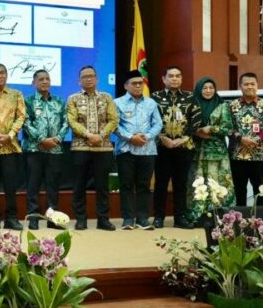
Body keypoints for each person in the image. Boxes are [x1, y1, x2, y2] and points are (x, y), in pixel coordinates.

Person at [66, 65, 118, 231]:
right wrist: (88, 135)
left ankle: (103, 219)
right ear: (79, 80)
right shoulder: (73, 99)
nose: (88, 79)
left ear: (97, 78)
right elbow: (72, 121)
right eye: (84, 77)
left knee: (102, 186)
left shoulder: (107, 97)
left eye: (91, 76)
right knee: (79, 185)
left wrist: (101, 136)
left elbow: (113, 120)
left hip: (103, 148)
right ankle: (81, 219)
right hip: (80, 147)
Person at [151, 66, 201, 229]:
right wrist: (161, 137)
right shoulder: (155, 97)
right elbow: (149, 119)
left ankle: (180, 217)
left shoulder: (190, 97)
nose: (174, 79)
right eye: (171, 76)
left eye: (178, 76)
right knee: (161, 184)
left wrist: (183, 138)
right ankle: (158, 217)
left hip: (183, 147)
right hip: (161, 146)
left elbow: (196, 120)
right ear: (163, 79)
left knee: (181, 184)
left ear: (181, 79)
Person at [114, 70, 163, 230]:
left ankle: (143, 218)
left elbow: (158, 124)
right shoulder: (117, 103)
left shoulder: (151, 103)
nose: (138, 86)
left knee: (144, 185)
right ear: (126, 86)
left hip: (147, 149)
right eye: (134, 83)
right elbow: (114, 125)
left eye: (140, 83)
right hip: (125, 149)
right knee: (126, 185)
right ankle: (128, 219)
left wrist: (146, 136)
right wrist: (130, 137)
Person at [22, 69, 68, 230]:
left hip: (55, 150)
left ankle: (52, 219)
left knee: (53, 186)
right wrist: (41, 139)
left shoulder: (59, 101)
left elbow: (66, 122)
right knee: (33, 185)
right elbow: (25, 122)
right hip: (34, 149)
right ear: (33, 83)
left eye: (47, 79)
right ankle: (33, 218)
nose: (44, 81)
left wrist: (57, 139)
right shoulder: (27, 101)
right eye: (40, 79)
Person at [0, 63, 26, 230]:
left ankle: (11, 218)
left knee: (10, 186)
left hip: (11, 147)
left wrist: (10, 135)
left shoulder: (16, 94)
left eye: (2, 73)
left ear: (7, 75)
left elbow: (21, 116)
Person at [191, 76, 235, 219]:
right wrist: (197, 131)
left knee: (217, 183)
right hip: (197, 151)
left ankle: (220, 216)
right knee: (199, 183)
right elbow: (187, 125)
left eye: (211, 88)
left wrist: (211, 129)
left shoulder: (222, 105)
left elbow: (228, 128)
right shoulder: (193, 104)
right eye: (205, 88)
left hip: (217, 153)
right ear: (199, 89)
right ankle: (198, 216)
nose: (208, 90)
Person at [228, 72, 263, 207]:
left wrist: (257, 139)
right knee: (239, 190)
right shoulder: (232, 105)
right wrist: (240, 138)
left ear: (257, 85)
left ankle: (259, 218)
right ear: (240, 86)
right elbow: (227, 127)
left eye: (252, 84)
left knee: (260, 191)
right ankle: (240, 217)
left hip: (259, 156)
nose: (249, 87)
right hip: (237, 156)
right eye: (246, 84)